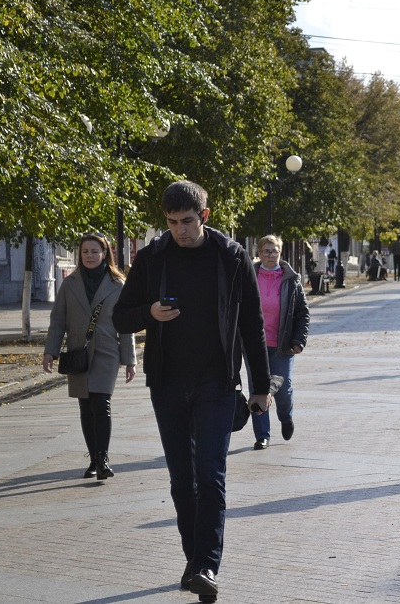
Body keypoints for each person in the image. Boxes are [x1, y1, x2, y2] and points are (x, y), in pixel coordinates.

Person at [113, 180, 272, 601]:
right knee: (183, 481)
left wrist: (260, 387)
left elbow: (252, 324)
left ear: (204, 216)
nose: (179, 231)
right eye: (171, 222)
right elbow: (120, 317)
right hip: (167, 385)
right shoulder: (152, 257)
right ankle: (193, 561)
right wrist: (149, 312)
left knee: (210, 476)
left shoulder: (231, 256)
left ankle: (206, 566)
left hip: (217, 384)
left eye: (186, 221)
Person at [42, 233, 137, 479]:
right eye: (85, 251)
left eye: (95, 251)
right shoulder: (69, 284)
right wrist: (50, 352)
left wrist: (130, 360)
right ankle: (93, 459)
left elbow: (125, 325)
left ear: (105, 254)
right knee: (86, 405)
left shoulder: (118, 284)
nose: (90, 256)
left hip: (107, 352)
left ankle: (103, 459)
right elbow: (58, 320)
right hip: (78, 352)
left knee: (101, 403)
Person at [247, 235, 309, 450]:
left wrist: (298, 340)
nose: (270, 255)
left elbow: (302, 312)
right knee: (257, 389)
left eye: (274, 251)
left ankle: (286, 417)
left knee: (283, 389)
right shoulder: (249, 276)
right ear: (259, 253)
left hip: (282, 344)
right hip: (255, 345)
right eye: (266, 251)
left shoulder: (291, 279)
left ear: (280, 253)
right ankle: (262, 435)